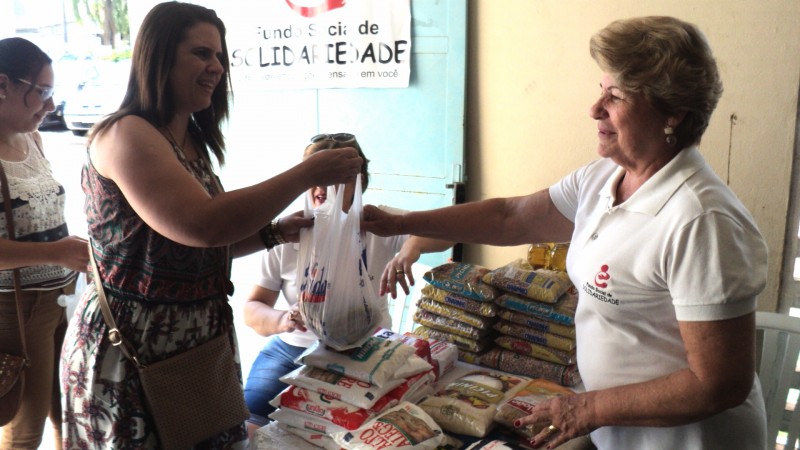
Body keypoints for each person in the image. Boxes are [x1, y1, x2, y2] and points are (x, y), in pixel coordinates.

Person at [362, 16, 768, 450]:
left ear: (673, 113)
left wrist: (586, 409)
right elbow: (510, 217)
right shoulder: (602, 178)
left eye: (615, 97)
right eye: (601, 91)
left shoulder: (701, 219)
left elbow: (718, 384)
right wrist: (402, 223)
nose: (595, 109)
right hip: (618, 433)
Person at [59, 3, 363, 449]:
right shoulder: (128, 134)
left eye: (220, 56)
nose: (216, 68)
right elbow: (201, 226)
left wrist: (276, 232)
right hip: (134, 352)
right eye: (201, 54)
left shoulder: (190, 141)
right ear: (159, 57)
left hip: (194, 349)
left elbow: (194, 248)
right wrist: (304, 175)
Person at [242, 133, 452, 437]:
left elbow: (447, 233)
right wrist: (282, 320)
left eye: (338, 179)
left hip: (366, 348)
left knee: (361, 425)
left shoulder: (377, 222)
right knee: (254, 413)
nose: (323, 189)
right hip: (293, 349)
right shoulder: (288, 231)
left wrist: (410, 248)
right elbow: (252, 308)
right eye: (315, 178)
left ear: (359, 182)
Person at [0, 37, 88, 450]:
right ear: (3, 85)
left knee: (66, 414)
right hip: (14, 308)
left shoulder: (34, 140)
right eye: (43, 92)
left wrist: (67, 250)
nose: (51, 106)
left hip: (61, 300)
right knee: (24, 428)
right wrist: (54, 252)